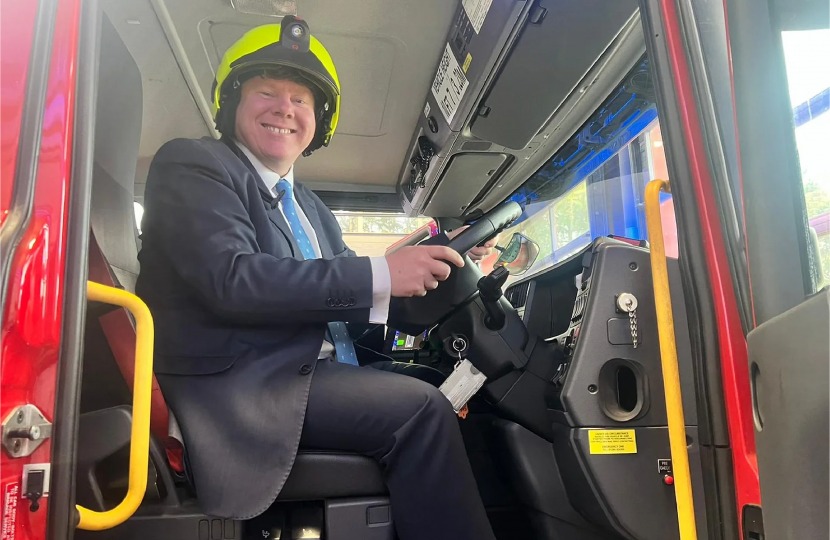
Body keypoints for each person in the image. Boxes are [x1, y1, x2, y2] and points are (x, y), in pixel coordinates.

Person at [135, 18, 498, 540]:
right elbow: (234, 280)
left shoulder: (309, 207)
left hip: (299, 372)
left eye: (301, 100)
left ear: (317, 121)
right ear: (232, 103)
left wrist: (438, 263)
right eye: (266, 92)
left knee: (439, 388)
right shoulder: (195, 166)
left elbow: (350, 295)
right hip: (243, 387)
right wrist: (382, 273)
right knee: (421, 411)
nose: (285, 108)